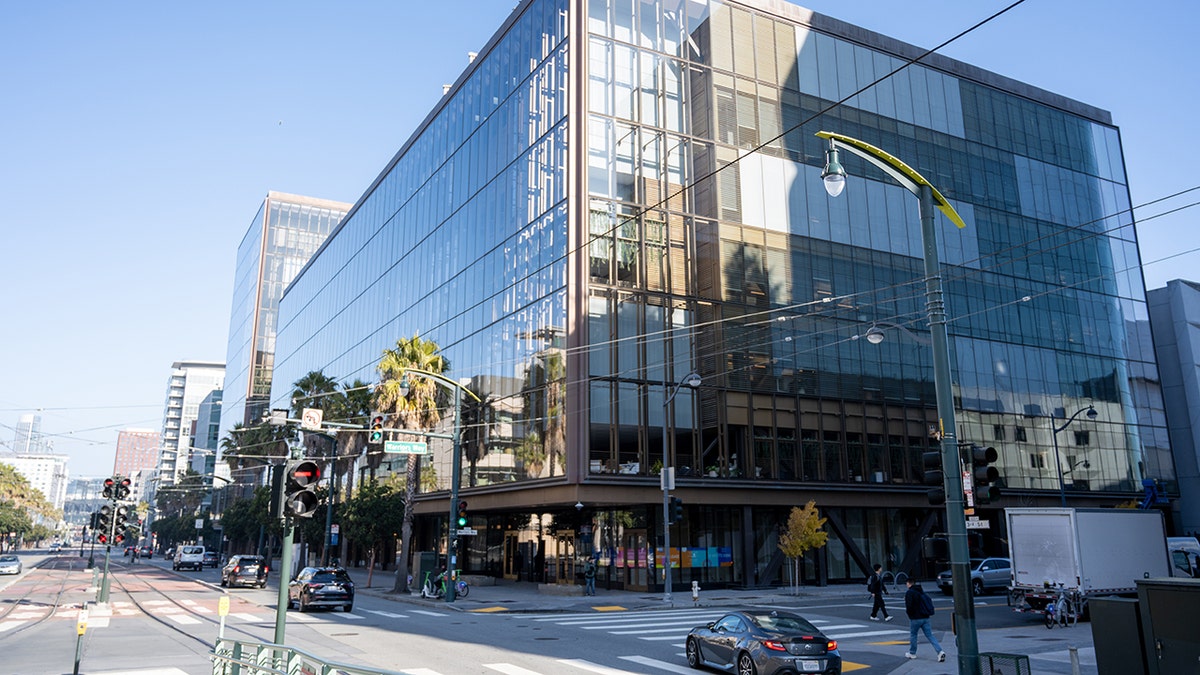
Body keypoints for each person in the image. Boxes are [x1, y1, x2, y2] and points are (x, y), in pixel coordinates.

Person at [903, 577, 945, 662]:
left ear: (908, 583)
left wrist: (910, 615)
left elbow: (909, 606)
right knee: (930, 635)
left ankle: (912, 653)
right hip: (925, 617)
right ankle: (940, 651)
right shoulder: (921, 591)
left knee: (914, 635)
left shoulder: (910, 592)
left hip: (915, 618)